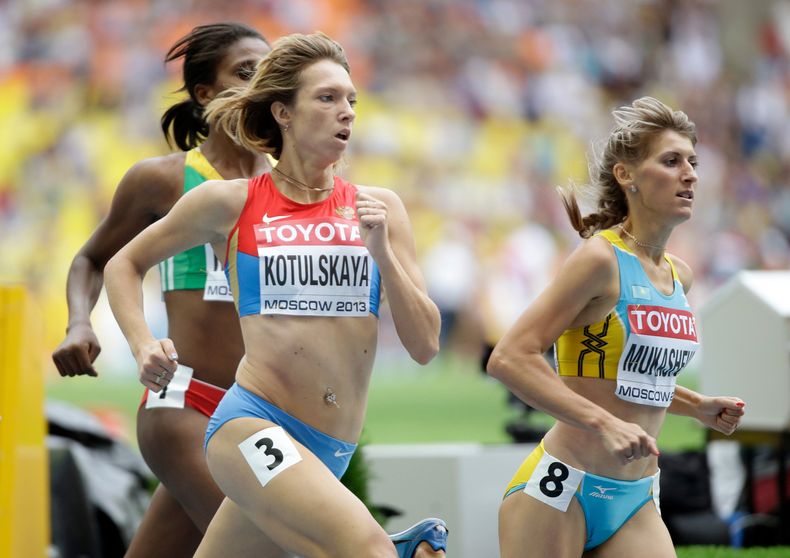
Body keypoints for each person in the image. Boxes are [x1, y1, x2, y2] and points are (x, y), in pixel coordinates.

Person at [103, 32, 448, 558]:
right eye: (328, 98)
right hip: (251, 426)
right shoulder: (230, 201)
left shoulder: (381, 209)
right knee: (370, 551)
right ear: (283, 112)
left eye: (352, 100)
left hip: (330, 446)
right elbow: (122, 262)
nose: (347, 112)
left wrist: (384, 258)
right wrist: (143, 342)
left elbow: (424, 345)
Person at [487, 97, 746, 557]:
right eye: (671, 161)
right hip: (562, 489)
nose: (690, 174)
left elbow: (630, 378)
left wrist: (697, 405)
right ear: (627, 175)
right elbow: (510, 358)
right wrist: (604, 423)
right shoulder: (598, 260)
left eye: (693, 162)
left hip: (636, 496)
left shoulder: (677, 274)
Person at [51, 23, 273, 557]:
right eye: (245, 72)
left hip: (258, 411)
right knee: (264, 544)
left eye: (268, 72)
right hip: (183, 401)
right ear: (204, 93)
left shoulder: (291, 184)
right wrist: (80, 322)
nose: (260, 83)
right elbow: (92, 258)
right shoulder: (164, 181)